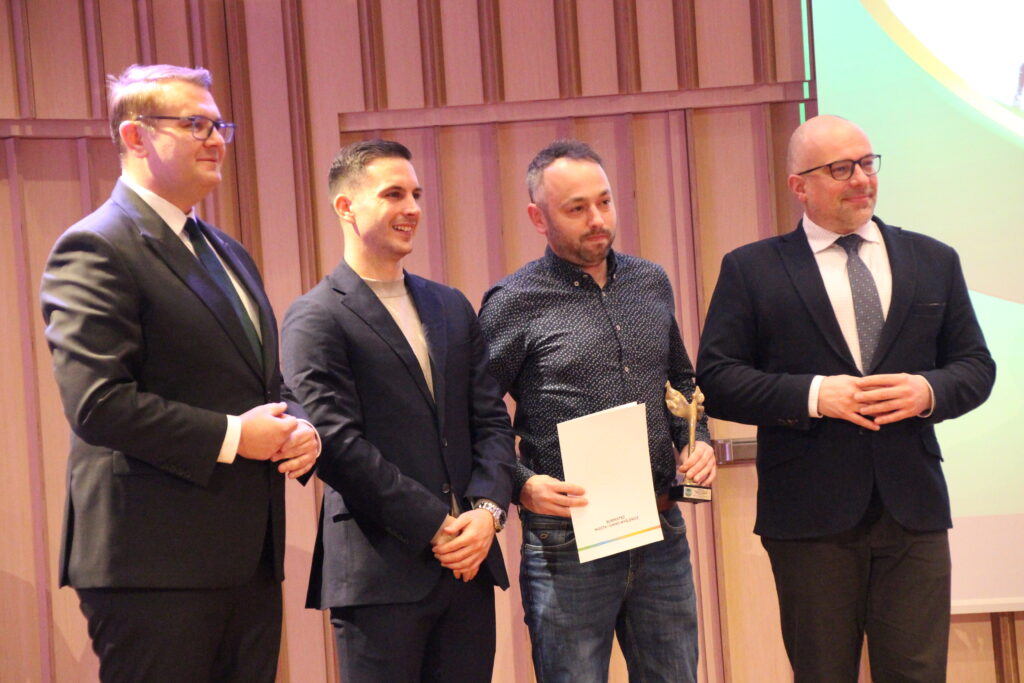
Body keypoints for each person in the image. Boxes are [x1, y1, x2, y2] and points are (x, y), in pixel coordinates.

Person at [39, 64, 319, 682]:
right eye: (195, 124)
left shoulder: (226, 250)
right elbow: (97, 403)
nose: (216, 140)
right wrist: (235, 436)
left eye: (220, 126)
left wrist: (299, 426)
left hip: (245, 560)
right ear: (135, 136)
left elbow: (260, 381)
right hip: (153, 566)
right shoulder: (95, 246)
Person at [696, 115, 996, 681]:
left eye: (866, 163)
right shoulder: (752, 269)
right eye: (840, 169)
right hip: (809, 517)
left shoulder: (933, 259)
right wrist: (814, 394)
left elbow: (976, 367)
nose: (861, 178)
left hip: (913, 511)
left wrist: (927, 390)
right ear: (799, 186)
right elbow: (717, 378)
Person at [479, 139, 717, 682]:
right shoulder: (513, 301)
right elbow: (476, 417)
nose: (598, 220)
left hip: (659, 527)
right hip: (567, 537)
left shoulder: (650, 281)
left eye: (605, 202)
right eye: (577, 208)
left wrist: (697, 439)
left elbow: (681, 381)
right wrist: (520, 484)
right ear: (538, 218)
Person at [281, 139, 515, 682]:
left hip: (468, 568)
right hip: (379, 574)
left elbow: (490, 420)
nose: (412, 208)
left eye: (416, 195)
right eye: (393, 194)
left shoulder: (449, 304)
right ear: (346, 207)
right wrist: (436, 526)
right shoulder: (315, 316)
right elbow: (336, 445)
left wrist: (487, 513)